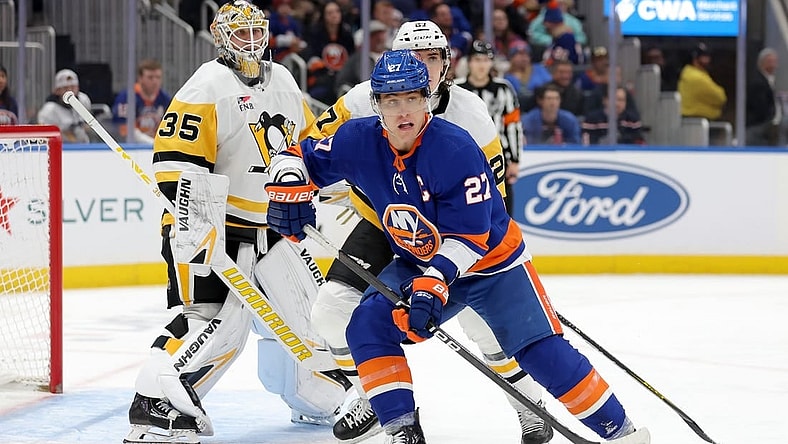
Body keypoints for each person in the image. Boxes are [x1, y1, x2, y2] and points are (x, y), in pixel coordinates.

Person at [265, 49, 650, 444]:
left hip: (492, 265)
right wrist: (287, 189)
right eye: (392, 100)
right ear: (376, 103)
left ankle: (622, 435)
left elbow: (470, 236)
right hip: (419, 261)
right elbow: (298, 157)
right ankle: (402, 431)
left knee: (540, 353)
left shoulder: (455, 148)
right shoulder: (357, 139)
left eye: (412, 98)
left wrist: (435, 280)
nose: (403, 111)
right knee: (367, 324)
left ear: (427, 98)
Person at [300, 20, 553, 444]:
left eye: (431, 57)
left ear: (446, 63)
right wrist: (300, 183)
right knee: (330, 311)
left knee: (485, 327)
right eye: (413, 56)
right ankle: (376, 397)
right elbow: (314, 146)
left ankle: (528, 405)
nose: (422, 65)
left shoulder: (470, 113)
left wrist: (487, 263)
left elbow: (491, 203)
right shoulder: (364, 98)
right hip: (386, 225)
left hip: (454, 236)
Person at [123, 2, 347, 443]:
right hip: (212, 230)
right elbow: (174, 168)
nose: (250, 40)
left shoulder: (283, 79)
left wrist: (325, 187)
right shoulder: (206, 87)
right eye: (239, 33)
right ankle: (154, 403)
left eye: (256, 31)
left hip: (273, 229)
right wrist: (202, 230)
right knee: (216, 324)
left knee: (311, 319)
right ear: (219, 36)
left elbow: (305, 150)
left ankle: (316, 399)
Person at [457, 40, 523, 216]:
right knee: (465, 210)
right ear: (469, 62)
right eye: (477, 60)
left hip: (498, 159)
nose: (481, 65)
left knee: (502, 212)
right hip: (463, 160)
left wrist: (515, 160)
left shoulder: (504, 89)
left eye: (486, 60)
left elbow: (513, 125)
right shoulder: (456, 89)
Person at [112, 59, 172, 144]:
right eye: (150, 77)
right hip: (133, 147)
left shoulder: (165, 99)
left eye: (158, 77)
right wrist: (152, 143)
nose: (155, 81)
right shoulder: (126, 98)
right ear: (140, 78)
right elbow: (124, 130)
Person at [37, 69, 92, 143]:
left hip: (85, 146)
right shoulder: (48, 110)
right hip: (61, 148)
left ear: (78, 88)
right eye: (65, 88)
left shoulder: (84, 100)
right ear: (57, 91)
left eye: (73, 87)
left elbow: (88, 124)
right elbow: (44, 136)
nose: (70, 91)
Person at [678, 43, 726, 121]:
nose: (708, 59)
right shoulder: (696, 77)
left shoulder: (694, 74)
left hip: (696, 121)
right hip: (695, 121)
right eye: (704, 57)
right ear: (695, 59)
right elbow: (720, 98)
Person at [746, 48, 781, 146]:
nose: (773, 65)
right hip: (758, 126)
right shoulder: (758, 82)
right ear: (762, 63)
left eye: (774, 62)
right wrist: (771, 121)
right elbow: (760, 107)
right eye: (770, 62)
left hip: (764, 125)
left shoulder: (769, 80)